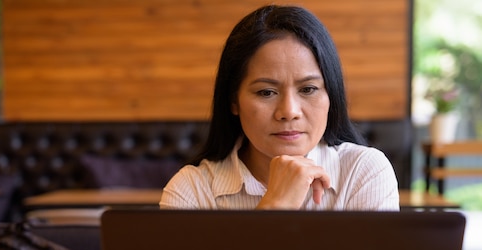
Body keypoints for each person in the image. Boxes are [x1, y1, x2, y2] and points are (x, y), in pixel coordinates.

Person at [160, 5, 399, 211]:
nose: (289, 111)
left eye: (308, 89)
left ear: (331, 95)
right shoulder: (190, 191)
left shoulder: (364, 172)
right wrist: (274, 206)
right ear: (233, 100)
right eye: (266, 92)